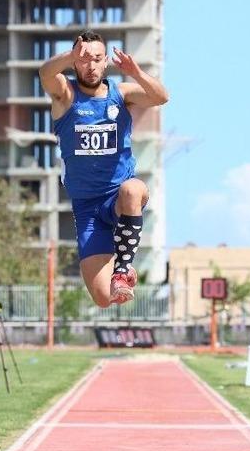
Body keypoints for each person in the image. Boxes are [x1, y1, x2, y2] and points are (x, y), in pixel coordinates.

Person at [39, 30, 169, 307]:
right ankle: (120, 268)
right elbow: (45, 74)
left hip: (118, 197)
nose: (91, 65)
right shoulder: (65, 95)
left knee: (133, 189)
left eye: (97, 58)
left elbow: (160, 97)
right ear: (75, 62)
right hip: (87, 208)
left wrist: (135, 72)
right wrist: (69, 55)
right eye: (84, 59)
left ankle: (122, 269)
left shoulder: (121, 94)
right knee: (104, 299)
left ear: (106, 61)